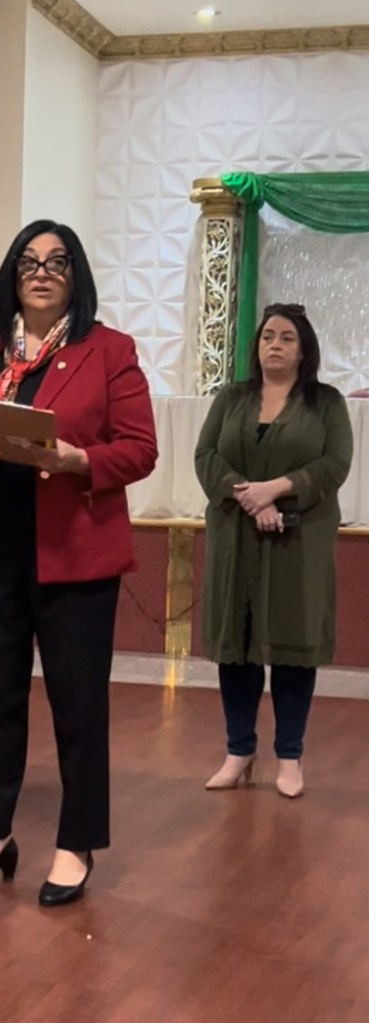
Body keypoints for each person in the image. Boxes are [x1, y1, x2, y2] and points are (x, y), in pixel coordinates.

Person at [0, 219, 158, 905]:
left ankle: (75, 840)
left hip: (71, 555)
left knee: (76, 704)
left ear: (75, 276)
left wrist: (77, 459)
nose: (41, 271)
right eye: (28, 260)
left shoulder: (108, 349)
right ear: (11, 273)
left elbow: (139, 447)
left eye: (57, 262)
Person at [195, 303, 353, 798]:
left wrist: (278, 488)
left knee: (292, 648)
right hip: (236, 536)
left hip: (298, 541)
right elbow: (207, 456)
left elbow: (335, 464)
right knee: (236, 648)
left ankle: (290, 756)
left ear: (303, 348)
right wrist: (250, 495)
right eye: (267, 337)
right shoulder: (232, 397)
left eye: (286, 337)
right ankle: (239, 751)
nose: (275, 345)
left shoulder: (325, 402)